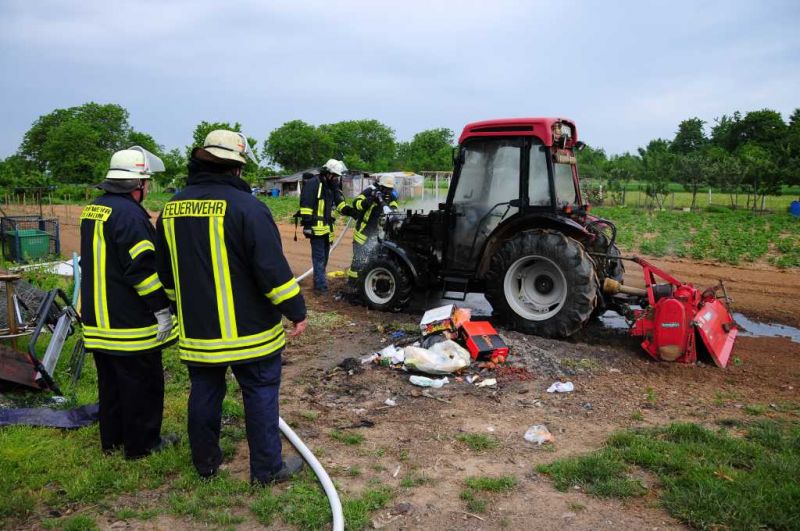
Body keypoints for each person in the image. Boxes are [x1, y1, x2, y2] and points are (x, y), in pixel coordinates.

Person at [155, 129, 308, 485]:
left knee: (205, 393)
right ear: (237, 169)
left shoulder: (171, 210)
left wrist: (181, 311)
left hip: (198, 333)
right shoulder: (248, 208)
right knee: (260, 395)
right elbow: (272, 271)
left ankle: (205, 464)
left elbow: (166, 274)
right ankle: (267, 470)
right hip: (251, 334)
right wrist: (296, 311)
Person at [79, 146, 179, 459]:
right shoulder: (132, 217)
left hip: (97, 321)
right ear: (137, 185)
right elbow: (143, 272)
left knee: (111, 387)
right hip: (129, 325)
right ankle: (143, 446)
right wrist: (162, 310)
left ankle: (113, 441)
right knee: (143, 387)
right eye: (147, 181)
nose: (148, 187)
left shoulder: (94, 209)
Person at [298, 159, 351, 293]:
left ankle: (319, 283)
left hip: (327, 229)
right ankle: (321, 289)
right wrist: (308, 225)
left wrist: (351, 211)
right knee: (319, 260)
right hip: (316, 229)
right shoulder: (313, 184)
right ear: (328, 173)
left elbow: (340, 203)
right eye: (336, 176)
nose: (337, 179)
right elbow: (306, 206)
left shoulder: (330, 186)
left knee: (324, 259)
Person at [347, 174, 399, 283]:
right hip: (363, 230)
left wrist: (391, 209)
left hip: (378, 232)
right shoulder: (370, 191)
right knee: (359, 258)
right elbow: (356, 204)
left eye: (390, 189)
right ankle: (352, 282)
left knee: (373, 258)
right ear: (380, 186)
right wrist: (371, 199)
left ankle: (366, 281)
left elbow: (394, 208)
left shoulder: (391, 195)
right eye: (386, 189)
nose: (388, 191)